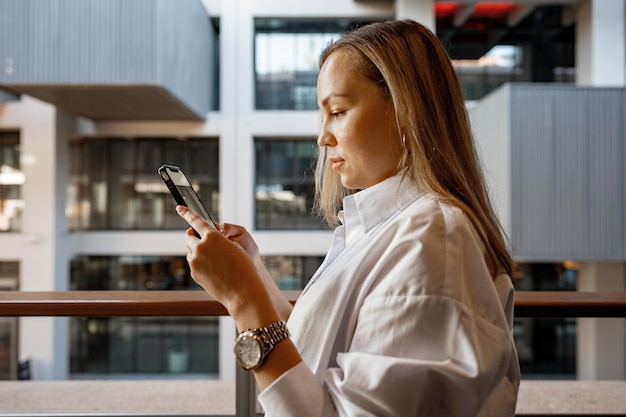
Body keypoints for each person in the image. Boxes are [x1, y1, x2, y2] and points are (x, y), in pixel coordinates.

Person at [176, 19, 520, 417]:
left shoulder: (430, 238)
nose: (323, 136)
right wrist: (253, 274)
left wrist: (244, 300)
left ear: (405, 110)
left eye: (337, 111)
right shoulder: (386, 227)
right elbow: (322, 349)